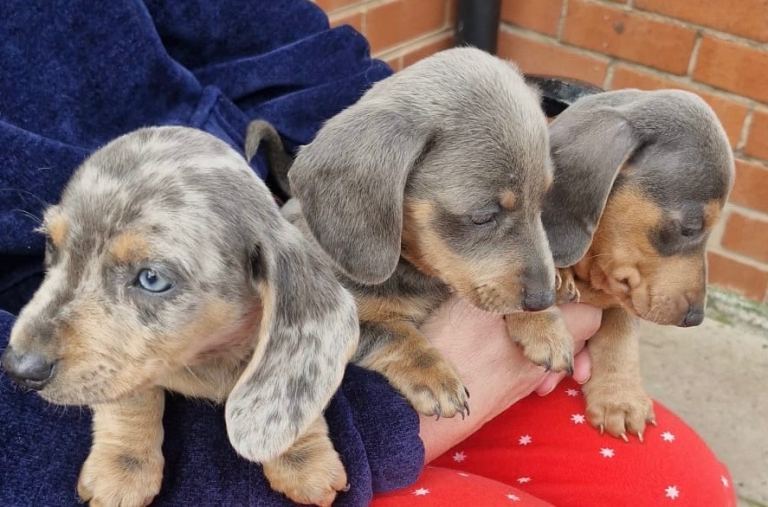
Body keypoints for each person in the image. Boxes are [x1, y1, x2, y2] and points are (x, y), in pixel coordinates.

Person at [0, 1, 734, 505]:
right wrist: (374, 420)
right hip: (186, 436)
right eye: (487, 216)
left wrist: (455, 135)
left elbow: (289, 54)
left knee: (680, 484)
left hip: (299, 312)